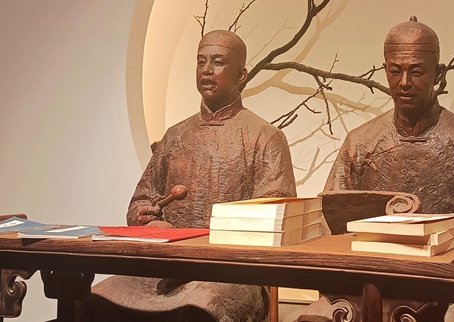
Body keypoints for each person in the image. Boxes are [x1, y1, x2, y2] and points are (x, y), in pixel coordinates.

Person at [296, 18, 454, 322]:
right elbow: (329, 215)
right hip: (364, 283)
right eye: (395, 70)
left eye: (416, 71)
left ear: (438, 74)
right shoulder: (360, 143)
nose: (403, 82)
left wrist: (443, 242)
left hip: (447, 287)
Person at [80, 30, 297, 322]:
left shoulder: (265, 137)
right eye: (201, 61)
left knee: (200, 307)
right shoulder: (175, 136)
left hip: (233, 274)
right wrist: (147, 218)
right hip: (163, 272)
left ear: (241, 75)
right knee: (94, 300)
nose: (207, 70)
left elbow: (277, 217)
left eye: (218, 62)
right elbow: (140, 202)